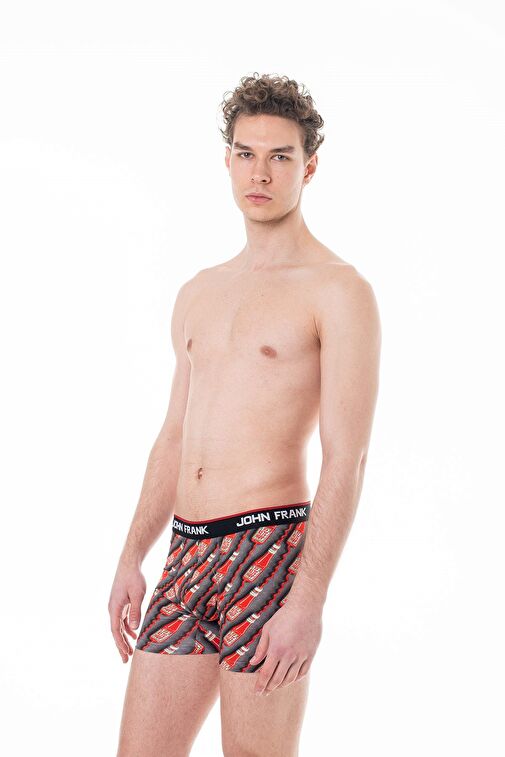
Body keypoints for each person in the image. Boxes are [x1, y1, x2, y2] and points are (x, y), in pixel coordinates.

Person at [110, 72, 381, 757]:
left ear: (308, 167)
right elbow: (174, 437)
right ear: (227, 160)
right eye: (246, 153)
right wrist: (132, 556)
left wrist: (308, 600)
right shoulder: (198, 292)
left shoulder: (338, 290)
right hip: (185, 553)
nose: (259, 172)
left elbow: (346, 456)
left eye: (280, 156)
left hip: (270, 553)